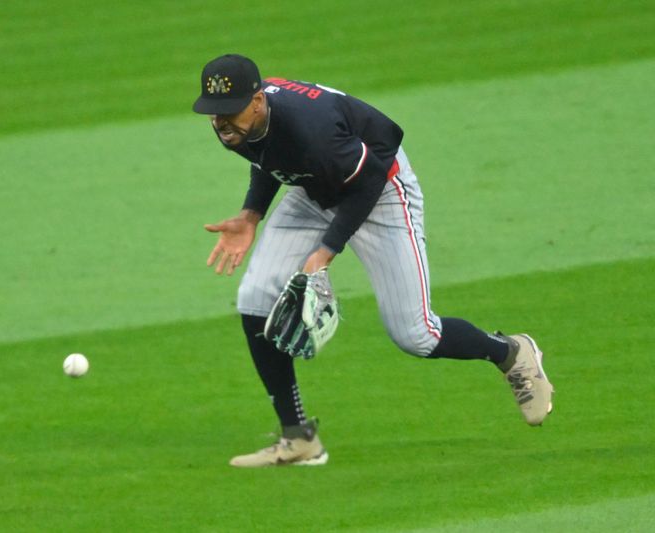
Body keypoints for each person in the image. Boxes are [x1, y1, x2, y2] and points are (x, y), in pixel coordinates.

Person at [193, 54, 554, 467]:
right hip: (319, 187)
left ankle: (509, 352)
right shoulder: (239, 126)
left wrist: (323, 254)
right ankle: (299, 439)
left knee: (415, 335)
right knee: (256, 298)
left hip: (380, 191)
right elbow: (269, 157)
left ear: (257, 101)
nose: (221, 123)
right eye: (213, 113)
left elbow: (365, 184)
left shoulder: (312, 130)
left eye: (229, 112)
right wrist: (251, 215)